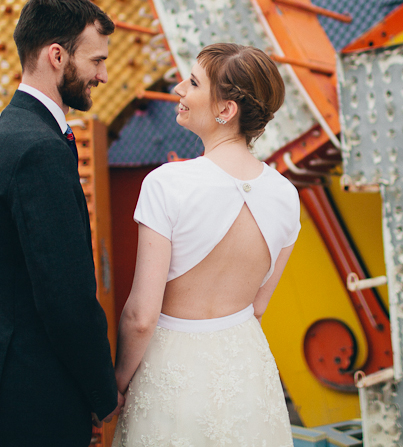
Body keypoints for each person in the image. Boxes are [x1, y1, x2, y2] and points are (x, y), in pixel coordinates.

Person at [112, 43, 299, 446]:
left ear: (225, 110)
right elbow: (258, 306)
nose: (179, 88)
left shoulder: (167, 184)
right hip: (247, 372)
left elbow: (141, 316)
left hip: (171, 373)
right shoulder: (285, 195)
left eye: (193, 82)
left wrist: (117, 383)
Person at [0, 0, 123, 446]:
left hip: (5, 389)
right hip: (36, 400)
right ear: (57, 55)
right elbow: (65, 296)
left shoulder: (4, 133)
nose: (104, 75)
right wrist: (103, 391)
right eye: (96, 61)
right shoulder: (39, 150)